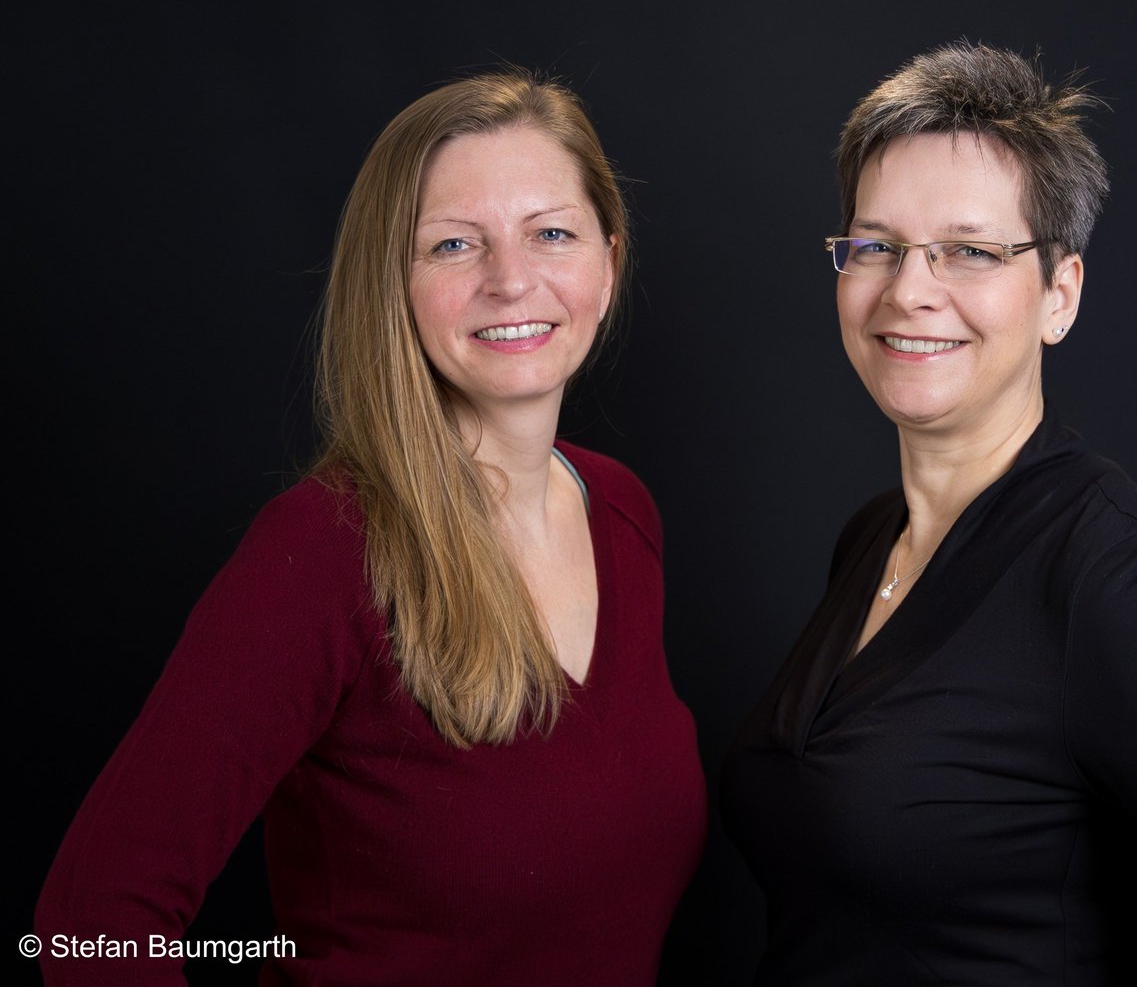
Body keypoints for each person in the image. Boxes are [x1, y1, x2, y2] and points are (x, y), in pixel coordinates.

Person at [719, 43, 1137, 984]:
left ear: (1058, 296)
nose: (910, 288)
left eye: (970, 251)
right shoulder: (874, 541)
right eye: (875, 245)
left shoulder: (1112, 572)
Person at [35, 71, 707, 985]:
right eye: (454, 245)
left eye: (551, 233)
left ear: (609, 264)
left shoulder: (623, 514)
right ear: (393, 281)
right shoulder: (324, 550)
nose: (511, 280)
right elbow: (93, 924)